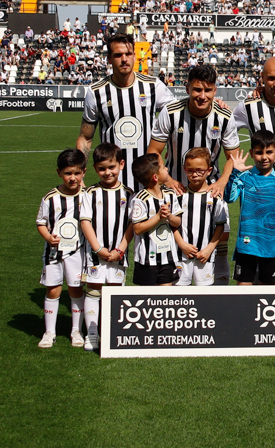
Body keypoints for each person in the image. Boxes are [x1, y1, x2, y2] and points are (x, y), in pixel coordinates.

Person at [78, 33, 174, 189]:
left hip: (148, 181)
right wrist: (79, 174)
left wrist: (211, 102)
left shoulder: (152, 86)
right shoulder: (96, 92)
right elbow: (85, 137)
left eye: (128, 54)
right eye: (118, 55)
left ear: (135, 56)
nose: (124, 59)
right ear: (109, 59)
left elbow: (178, 114)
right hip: (111, 182)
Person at [148, 64, 239, 194]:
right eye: (197, 89)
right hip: (175, 188)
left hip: (210, 189)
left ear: (215, 91)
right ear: (187, 89)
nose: (202, 96)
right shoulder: (170, 113)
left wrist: (222, 181)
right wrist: (168, 180)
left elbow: (233, 157)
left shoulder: (224, 117)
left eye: (207, 90)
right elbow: (153, 152)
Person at [78, 144, 134, 352]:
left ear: (121, 164)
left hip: (118, 254)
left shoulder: (129, 194)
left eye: (111, 167)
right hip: (95, 255)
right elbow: (85, 222)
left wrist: (119, 249)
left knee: (114, 291)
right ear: (95, 169)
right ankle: (91, 335)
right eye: (102, 169)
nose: (107, 172)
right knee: (93, 290)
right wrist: (98, 249)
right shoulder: (90, 193)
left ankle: (112, 333)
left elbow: (132, 225)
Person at [225, 131, 275, 285]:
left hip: (272, 245)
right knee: (243, 287)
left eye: (269, 152)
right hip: (247, 244)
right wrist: (234, 172)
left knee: (266, 289)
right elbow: (229, 197)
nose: (264, 157)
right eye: (258, 153)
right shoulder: (244, 177)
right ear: (251, 153)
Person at [35, 149, 88, 349]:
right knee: (53, 290)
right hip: (54, 254)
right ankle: (49, 332)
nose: (72, 178)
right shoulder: (50, 197)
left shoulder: (87, 196)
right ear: (59, 173)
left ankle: (76, 330)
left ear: (83, 172)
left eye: (76, 173)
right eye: (67, 173)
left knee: (75, 289)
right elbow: (41, 222)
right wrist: (48, 237)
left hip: (78, 252)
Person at [232, 58, 275, 179]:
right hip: (263, 187)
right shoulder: (249, 106)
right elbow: (224, 125)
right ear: (262, 77)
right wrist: (216, 104)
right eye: (271, 78)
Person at [173, 147, 229, 287]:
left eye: (199, 170)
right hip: (181, 255)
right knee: (179, 294)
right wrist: (182, 245)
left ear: (209, 171)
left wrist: (209, 249)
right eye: (190, 170)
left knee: (204, 295)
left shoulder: (215, 198)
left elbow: (220, 226)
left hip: (205, 256)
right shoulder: (179, 197)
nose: (195, 174)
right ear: (184, 170)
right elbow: (172, 225)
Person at [129, 154, 183, 286]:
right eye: (164, 167)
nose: (167, 170)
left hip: (167, 258)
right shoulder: (140, 199)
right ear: (155, 177)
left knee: (165, 297)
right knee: (147, 299)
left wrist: (170, 217)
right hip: (147, 260)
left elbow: (178, 222)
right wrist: (158, 217)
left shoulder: (170, 195)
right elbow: (137, 229)